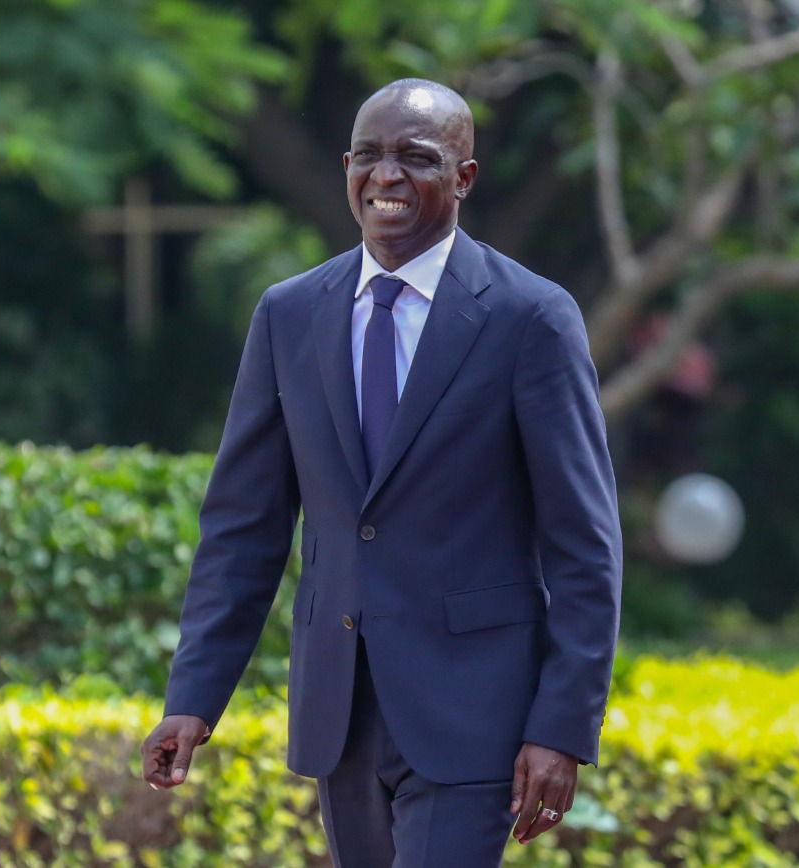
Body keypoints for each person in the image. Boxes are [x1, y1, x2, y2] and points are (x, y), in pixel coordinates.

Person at [141, 78, 622, 867]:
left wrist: (560, 727)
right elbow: (243, 531)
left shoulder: (529, 318)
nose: (387, 176)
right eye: (369, 156)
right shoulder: (289, 315)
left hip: (476, 718)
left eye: (416, 157)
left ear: (464, 178)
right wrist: (193, 698)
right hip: (341, 714)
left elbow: (584, 545)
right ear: (346, 167)